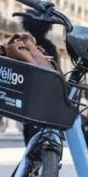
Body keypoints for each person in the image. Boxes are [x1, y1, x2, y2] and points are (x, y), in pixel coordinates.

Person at [21, 14, 58, 145]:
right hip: (45, 97)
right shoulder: (50, 47)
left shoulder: (21, 44)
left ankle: (30, 155)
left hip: (27, 95)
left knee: (29, 131)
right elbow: (55, 73)